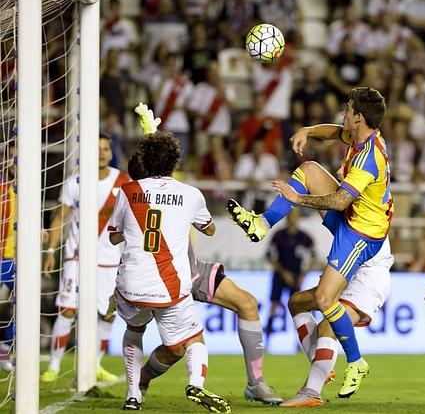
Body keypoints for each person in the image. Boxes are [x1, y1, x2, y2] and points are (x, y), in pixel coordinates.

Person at [228, 86, 392, 398]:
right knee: (308, 168)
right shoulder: (359, 136)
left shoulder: (369, 157)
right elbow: (334, 132)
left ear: (359, 117)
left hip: (360, 233)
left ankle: (355, 362)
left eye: (347, 108)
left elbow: (342, 200)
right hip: (353, 220)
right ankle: (262, 223)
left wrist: (299, 199)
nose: (343, 112)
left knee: (326, 300)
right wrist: (308, 130)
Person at [126, 144, 282, 405]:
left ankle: (256, 383)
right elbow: (207, 229)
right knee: (175, 349)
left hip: (192, 269)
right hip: (161, 278)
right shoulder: (139, 198)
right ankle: (141, 380)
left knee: (247, 303)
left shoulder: (162, 193)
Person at [107, 133, 230, 412]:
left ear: (144, 160)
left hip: (131, 283)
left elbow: (114, 237)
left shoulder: (128, 191)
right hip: (170, 287)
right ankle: (196, 383)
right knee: (193, 340)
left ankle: (133, 395)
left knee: (134, 330)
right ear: (175, 161)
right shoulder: (191, 194)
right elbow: (209, 229)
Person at [41, 134, 130, 383]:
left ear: (110, 152)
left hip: (110, 259)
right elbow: (60, 218)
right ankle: (54, 366)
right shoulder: (75, 182)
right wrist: (50, 251)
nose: (102, 153)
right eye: (97, 148)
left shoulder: (123, 182)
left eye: (105, 148)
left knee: (108, 314)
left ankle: (96, 364)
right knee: (68, 310)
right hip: (76, 256)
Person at [281, 237, 394, 406]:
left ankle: (312, 392)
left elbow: (333, 213)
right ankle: (320, 368)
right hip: (347, 270)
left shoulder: (365, 215)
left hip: (368, 276)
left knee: (328, 326)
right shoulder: (347, 218)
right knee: (297, 302)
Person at [265, 209, 314, 351]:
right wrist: (282, 272)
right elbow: (270, 256)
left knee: (298, 310)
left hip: (296, 277)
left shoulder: (304, 237)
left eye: (295, 216)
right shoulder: (279, 236)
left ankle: (300, 344)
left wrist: (304, 274)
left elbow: (313, 257)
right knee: (273, 307)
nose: (292, 219)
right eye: (290, 216)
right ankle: (267, 342)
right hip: (280, 276)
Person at [0, 141, 16, 371]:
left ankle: (6, 349)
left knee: (17, 303)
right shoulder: (2, 189)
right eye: (12, 157)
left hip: (19, 258)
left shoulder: (30, 189)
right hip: (3, 256)